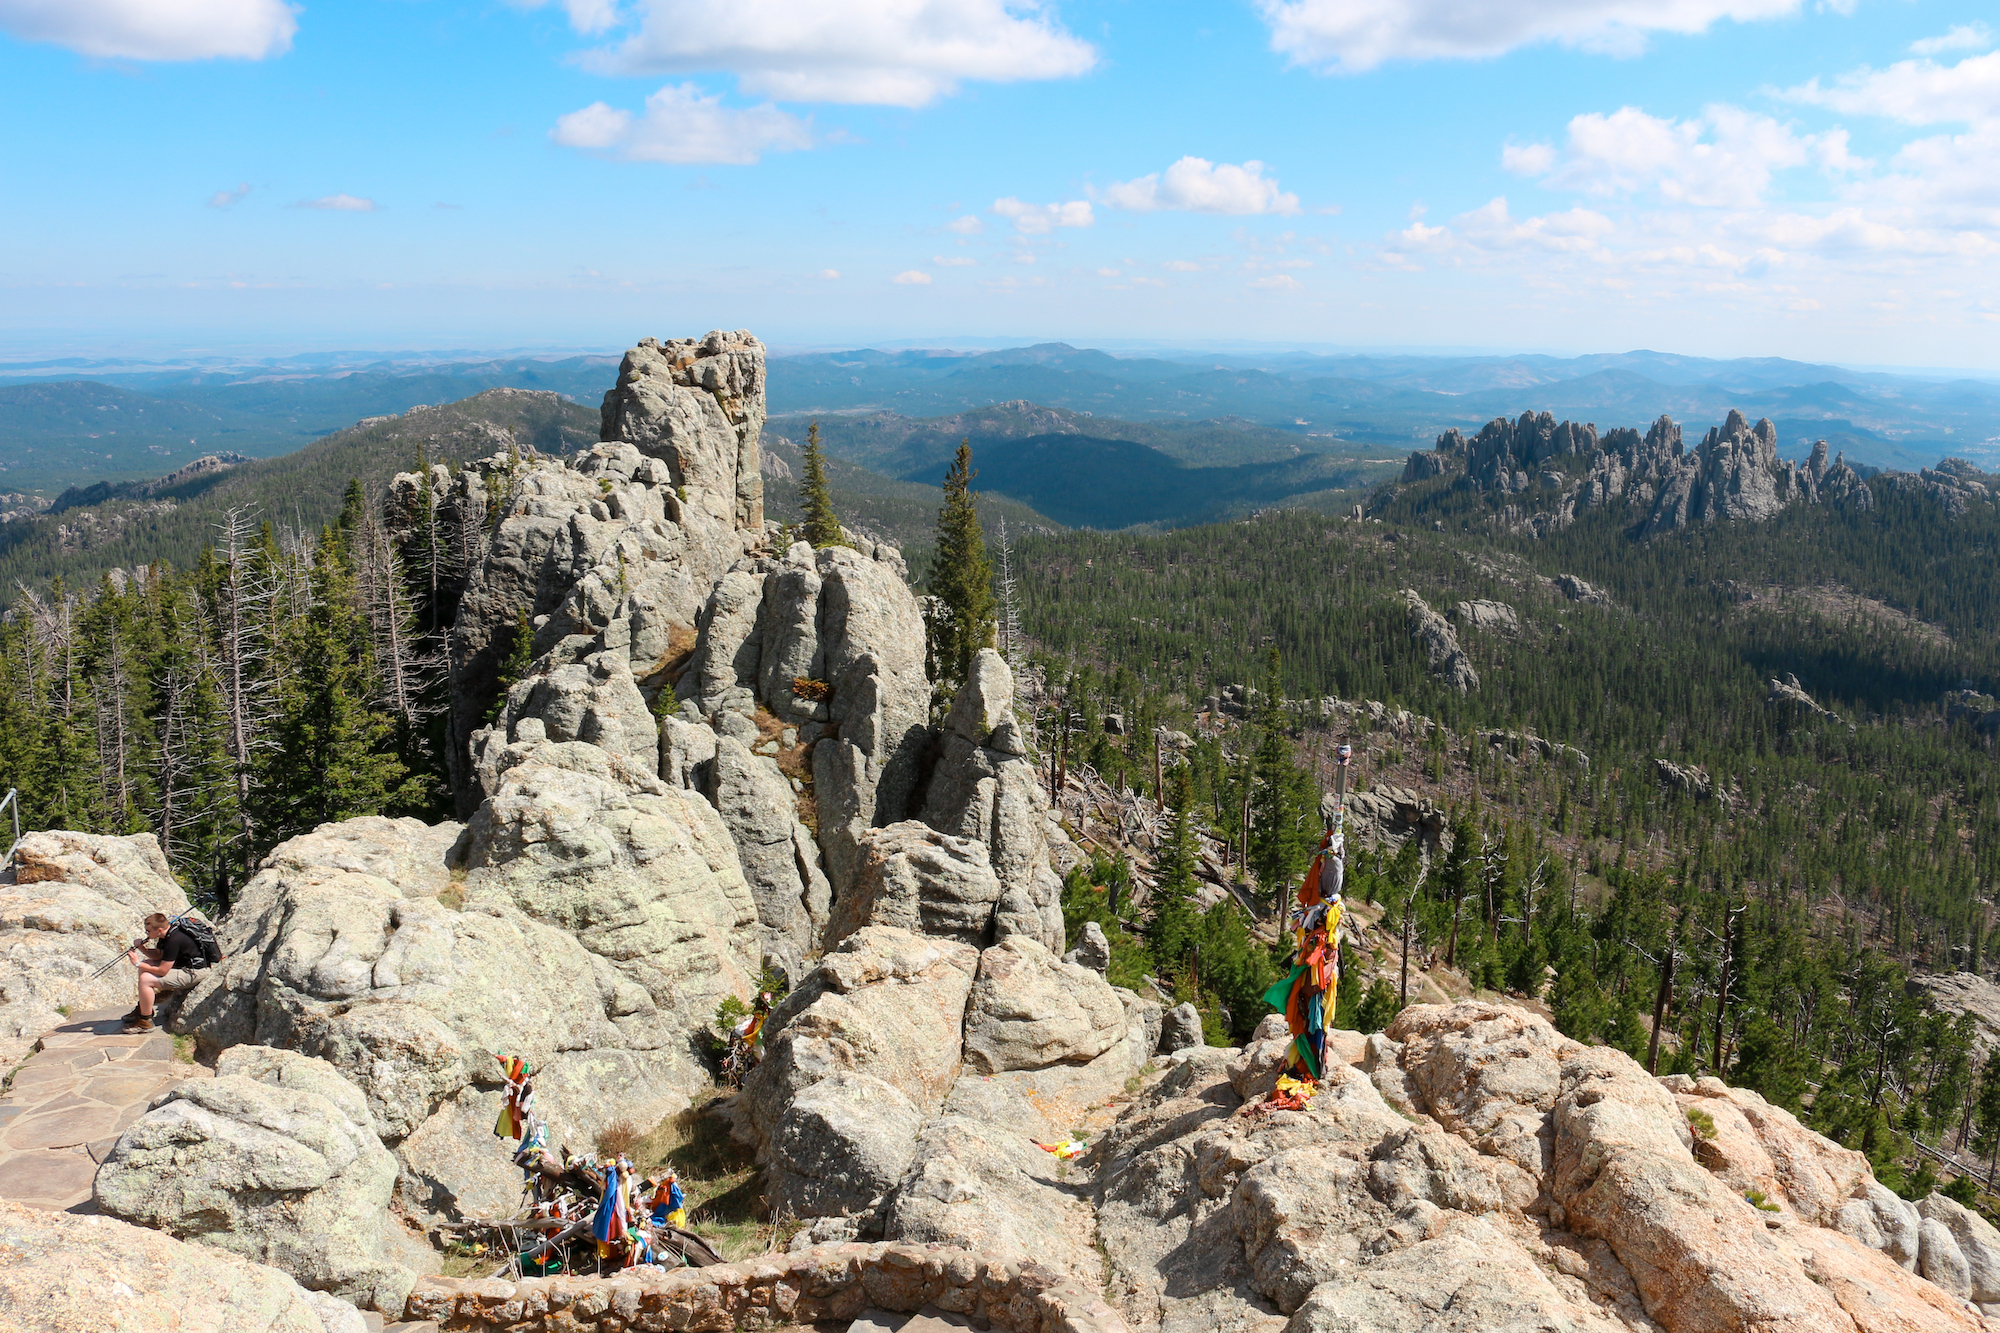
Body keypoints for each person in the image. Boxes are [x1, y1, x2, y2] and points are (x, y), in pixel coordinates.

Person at [123, 912, 202, 1034]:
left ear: (159, 929)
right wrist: (142, 949)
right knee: (147, 964)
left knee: (145, 980)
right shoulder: (165, 935)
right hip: (183, 967)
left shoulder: (174, 940)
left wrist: (137, 963)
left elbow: (163, 970)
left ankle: (145, 1021)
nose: (147, 934)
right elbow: (159, 956)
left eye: (148, 931)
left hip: (194, 972)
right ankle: (144, 1009)